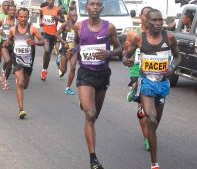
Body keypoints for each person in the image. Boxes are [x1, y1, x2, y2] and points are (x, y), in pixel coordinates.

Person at [124, 9, 180, 169]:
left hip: (162, 84)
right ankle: (154, 163)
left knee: (154, 126)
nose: (157, 23)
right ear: (147, 22)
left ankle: (146, 120)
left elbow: (178, 57)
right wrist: (125, 60)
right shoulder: (138, 38)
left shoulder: (169, 37)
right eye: (154, 20)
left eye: (160, 20)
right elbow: (126, 56)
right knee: (152, 119)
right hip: (146, 82)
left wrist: (172, 67)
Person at [73, 0, 122, 168]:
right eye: (91, 4)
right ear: (86, 7)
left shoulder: (109, 27)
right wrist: (72, 54)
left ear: (102, 7)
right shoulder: (79, 27)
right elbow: (75, 44)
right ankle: (93, 159)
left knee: (93, 117)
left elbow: (119, 49)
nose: (95, 7)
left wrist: (109, 53)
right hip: (85, 73)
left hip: (102, 75)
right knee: (90, 113)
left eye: (98, 4)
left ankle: (85, 103)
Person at [3, 7, 44, 118]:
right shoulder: (13, 29)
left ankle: (20, 81)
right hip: (17, 60)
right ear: (17, 17)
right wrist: (7, 42)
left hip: (28, 61)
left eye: (25, 17)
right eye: (21, 16)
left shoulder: (33, 29)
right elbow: (11, 39)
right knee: (20, 83)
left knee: (25, 85)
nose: (23, 19)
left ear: (28, 17)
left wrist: (34, 42)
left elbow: (42, 41)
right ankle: (21, 109)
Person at [123, 6, 153, 151]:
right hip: (137, 71)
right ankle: (147, 138)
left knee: (152, 110)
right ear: (140, 16)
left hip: (153, 72)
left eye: (150, 15)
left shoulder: (157, 34)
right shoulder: (134, 33)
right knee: (142, 107)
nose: (147, 18)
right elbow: (126, 54)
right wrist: (125, 54)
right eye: (145, 15)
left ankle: (133, 91)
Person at [39, 0, 65, 81]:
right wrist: (40, 22)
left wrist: (57, 18)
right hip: (45, 33)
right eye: (49, 0)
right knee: (46, 51)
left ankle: (44, 70)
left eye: (52, 0)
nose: (50, 1)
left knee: (48, 53)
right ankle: (44, 70)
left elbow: (63, 20)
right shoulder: (42, 9)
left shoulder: (58, 10)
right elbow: (40, 18)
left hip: (53, 34)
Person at [55, 10, 78, 95]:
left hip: (74, 50)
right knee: (63, 71)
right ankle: (59, 60)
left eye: (76, 15)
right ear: (69, 16)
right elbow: (56, 34)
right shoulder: (65, 24)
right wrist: (64, 42)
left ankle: (68, 88)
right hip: (65, 49)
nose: (75, 17)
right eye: (73, 16)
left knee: (73, 67)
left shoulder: (79, 26)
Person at [0, 5, 17, 90]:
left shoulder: (17, 22)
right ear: (7, 11)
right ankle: (3, 72)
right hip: (4, 45)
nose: (12, 12)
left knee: (9, 65)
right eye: (11, 10)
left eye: (14, 10)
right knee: (7, 60)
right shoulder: (3, 20)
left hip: (14, 45)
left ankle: (5, 79)